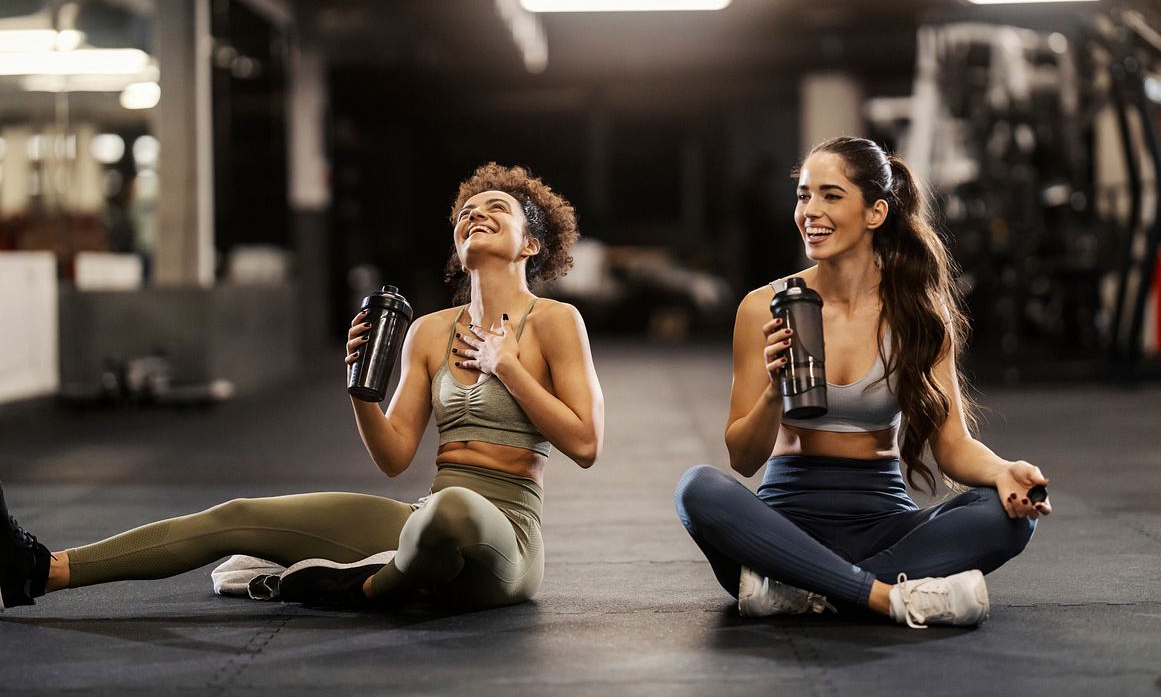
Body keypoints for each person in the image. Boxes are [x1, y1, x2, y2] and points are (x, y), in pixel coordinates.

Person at [0, 163, 604, 612]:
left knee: (448, 513)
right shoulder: (428, 332)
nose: (476, 213)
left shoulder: (555, 322)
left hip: (507, 540)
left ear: (530, 243)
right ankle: (41, 570)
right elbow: (395, 458)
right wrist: (360, 393)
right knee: (239, 515)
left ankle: (363, 587)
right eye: (467, 212)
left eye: (496, 207)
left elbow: (584, 444)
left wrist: (509, 368)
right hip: (425, 522)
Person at [674, 136, 1050, 629]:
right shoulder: (763, 306)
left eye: (831, 195)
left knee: (1007, 518)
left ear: (875, 213)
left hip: (883, 524)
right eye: (804, 195)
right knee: (696, 488)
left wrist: (1005, 471)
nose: (811, 210)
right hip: (783, 526)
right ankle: (887, 598)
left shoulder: (916, 312)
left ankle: (800, 590)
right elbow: (743, 459)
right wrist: (773, 389)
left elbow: (953, 445)